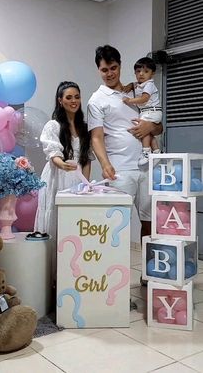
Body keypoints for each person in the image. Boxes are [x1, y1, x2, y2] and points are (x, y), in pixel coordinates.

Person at [87, 45, 162, 289]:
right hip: (119, 170)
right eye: (104, 70)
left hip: (148, 166)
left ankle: (149, 274)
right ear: (99, 70)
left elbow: (157, 124)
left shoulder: (139, 90)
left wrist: (151, 128)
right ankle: (112, 282)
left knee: (150, 222)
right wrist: (105, 164)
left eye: (113, 68)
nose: (109, 73)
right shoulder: (97, 100)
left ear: (120, 65)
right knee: (115, 225)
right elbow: (96, 137)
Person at [34, 81, 94, 279]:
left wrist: (85, 186)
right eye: (69, 97)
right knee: (56, 221)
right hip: (57, 178)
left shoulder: (85, 128)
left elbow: (86, 160)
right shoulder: (53, 125)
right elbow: (53, 154)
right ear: (60, 101)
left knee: (75, 226)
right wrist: (62, 164)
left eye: (76, 96)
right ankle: (51, 278)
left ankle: (71, 274)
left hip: (76, 182)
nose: (74, 101)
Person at [123, 57, 162, 166]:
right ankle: (157, 152)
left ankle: (146, 152)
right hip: (150, 112)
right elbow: (134, 85)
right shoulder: (141, 84)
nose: (141, 74)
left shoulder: (149, 85)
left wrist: (129, 100)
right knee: (149, 133)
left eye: (146, 71)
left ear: (152, 73)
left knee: (143, 129)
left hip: (151, 111)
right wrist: (130, 85)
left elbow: (144, 98)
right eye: (138, 71)